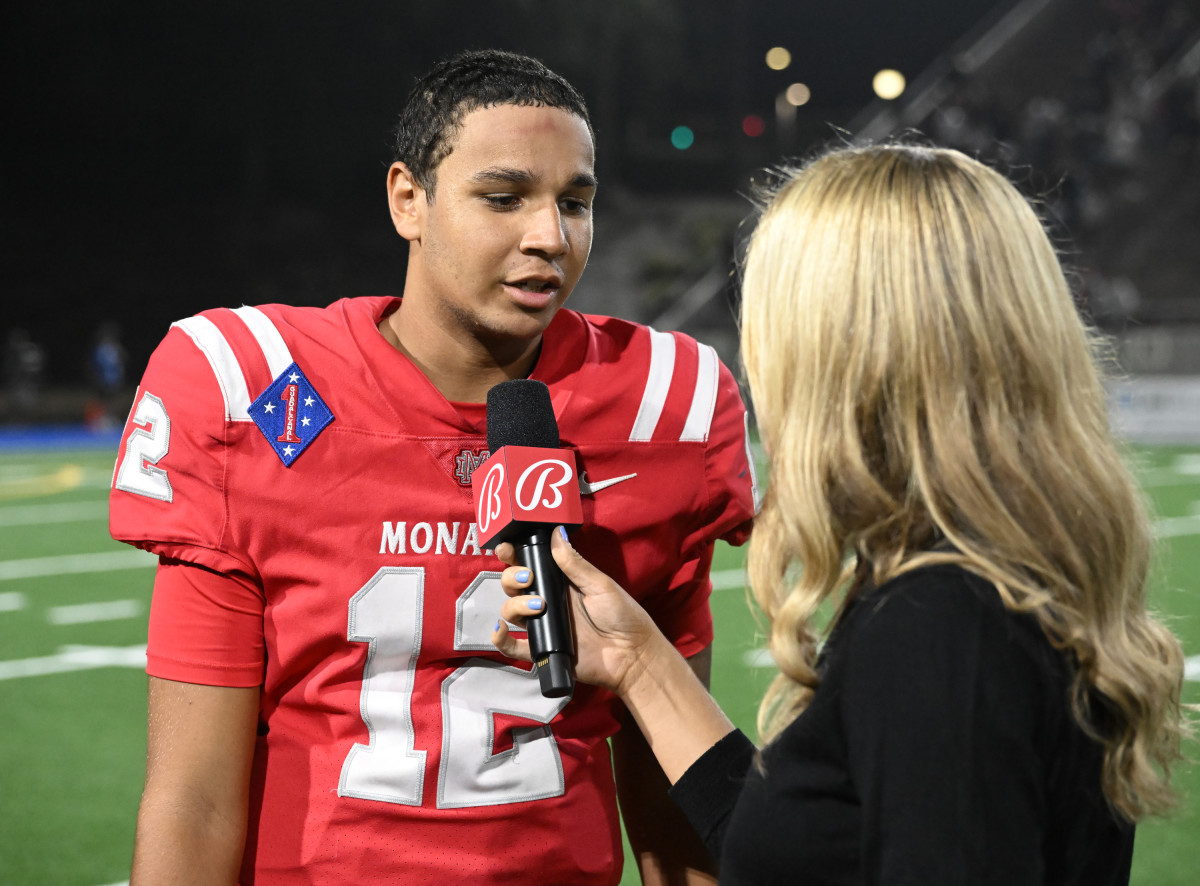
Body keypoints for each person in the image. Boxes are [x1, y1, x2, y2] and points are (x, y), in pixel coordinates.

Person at [109, 49, 756, 885]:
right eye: (504, 197)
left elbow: (673, 792)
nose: (549, 237)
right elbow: (192, 798)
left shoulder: (662, 405)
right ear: (408, 200)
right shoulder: (259, 394)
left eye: (576, 202)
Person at [493, 144, 1190, 884]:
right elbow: (809, 855)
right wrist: (638, 661)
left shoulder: (945, 622)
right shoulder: (977, 579)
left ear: (843, 355)